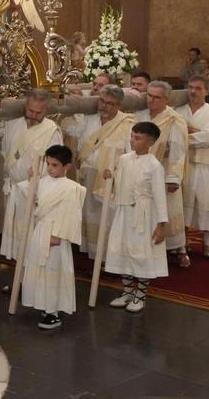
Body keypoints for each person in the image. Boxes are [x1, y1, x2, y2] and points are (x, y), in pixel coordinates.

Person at [14, 145, 86, 330]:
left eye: (55, 165)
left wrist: (57, 236)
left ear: (66, 166)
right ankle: (43, 305)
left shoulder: (71, 188)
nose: (50, 168)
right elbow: (31, 198)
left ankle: (53, 311)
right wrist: (31, 179)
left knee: (54, 272)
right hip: (41, 231)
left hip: (56, 235)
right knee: (39, 270)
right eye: (48, 164)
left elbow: (71, 214)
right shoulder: (43, 181)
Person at [103, 122, 168, 313]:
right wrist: (111, 177)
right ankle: (128, 292)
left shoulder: (155, 166)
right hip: (124, 212)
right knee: (121, 250)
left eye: (137, 138)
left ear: (150, 142)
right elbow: (121, 183)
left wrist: (161, 225)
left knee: (141, 254)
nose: (132, 140)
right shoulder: (123, 159)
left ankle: (140, 295)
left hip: (144, 215)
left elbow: (160, 196)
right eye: (132, 136)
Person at [68, 85, 134, 257]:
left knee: (107, 216)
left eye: (110, 104)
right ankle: (89, 250)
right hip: (86, 174)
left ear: (119, 105)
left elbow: (131, 154)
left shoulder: (127, 124)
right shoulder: (89, 120)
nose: (104, 106)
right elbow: (72, 132)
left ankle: (107, 255)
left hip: (111, 178)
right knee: (88, 213)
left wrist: (118, 176)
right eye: (102, 101)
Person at [0, 89, 62, 260]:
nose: (33, 115)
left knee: (32, 240)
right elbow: (5, 151)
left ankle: (32, 274)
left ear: (46, 110)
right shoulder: (13, 124)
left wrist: (38, 179)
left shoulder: (51, 131)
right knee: (17, 240)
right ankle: (18, 274)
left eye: (38, 112)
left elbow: (55, 165)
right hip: (14, 190)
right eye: (30, 110)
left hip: (35, 192)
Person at [137, 80, 191, 267]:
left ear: (166, 99)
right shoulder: (140, 116)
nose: (150, 100)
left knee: (169, 209)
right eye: (149, 95)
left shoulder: (174, 119)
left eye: (156, 97)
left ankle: (180, 249)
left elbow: (178, 149)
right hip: (141, 172)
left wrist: (173, 177)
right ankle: (149, 247)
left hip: (163, 171)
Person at [179, 75, 209, 259]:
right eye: (190, 87)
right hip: (182, 164)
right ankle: (183, 240)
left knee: (205, 202)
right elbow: (174, 134)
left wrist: (187, 133)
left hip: (204, 165)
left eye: (198, 88)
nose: (193, 91)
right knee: (182, 202)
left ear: (206, 91)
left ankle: (208, 242)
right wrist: (194, 133)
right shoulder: (179, 111)